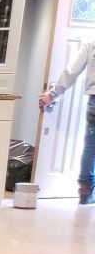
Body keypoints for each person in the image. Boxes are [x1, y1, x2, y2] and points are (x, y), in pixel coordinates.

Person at [39, 39, 95, 204]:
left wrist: (52, 94)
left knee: (91, 146)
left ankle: (85, 189)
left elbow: (71, 71)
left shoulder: (91, 43)